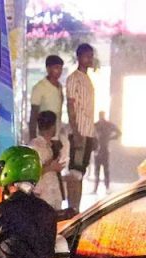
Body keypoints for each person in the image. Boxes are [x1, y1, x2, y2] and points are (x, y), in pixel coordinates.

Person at [65, 43, 96, 213]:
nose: (90, 59)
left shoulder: (88, 79)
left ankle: (77, 209)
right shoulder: (73, 78)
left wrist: (94, 135)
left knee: (80, 173)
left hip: (88, 132)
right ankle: (72, 209)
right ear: (79, 57)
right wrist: (76, 132)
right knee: (74, 173)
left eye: (91, 56)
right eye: (87, 56)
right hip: (79, 132)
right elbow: (70, 106)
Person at [27, 111, 68, 211]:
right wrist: (51, 167)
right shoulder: (35, 146)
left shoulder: (52, 146)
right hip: (42, 199)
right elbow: (30, 173)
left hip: (53, 196)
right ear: (53, 126)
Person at [29, 54, 65, 140]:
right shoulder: (39, 87)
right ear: (48, 69)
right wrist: (33, 138)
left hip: (56, 136)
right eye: (56, 67)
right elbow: (34, 114)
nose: (59, 71)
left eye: (61, 68)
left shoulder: (59, 87)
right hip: (43, 136)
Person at [92, 111, 121, 194]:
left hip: (104, 149)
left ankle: (106, 187)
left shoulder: (106, 125)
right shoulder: (96, 125)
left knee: (105, 170)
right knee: (98, 170)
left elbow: (119, 133)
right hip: (99, 150)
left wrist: (110, 138)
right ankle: (96, 188)